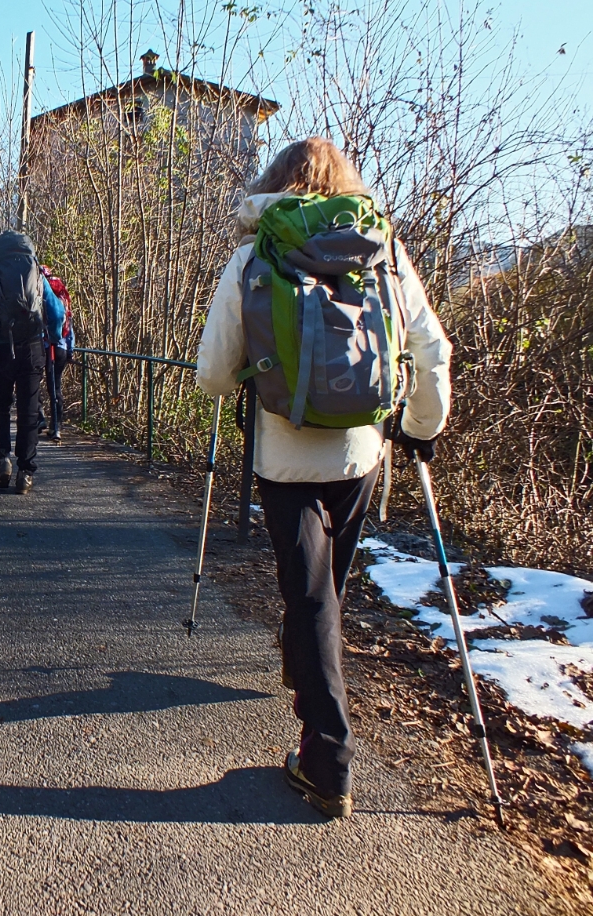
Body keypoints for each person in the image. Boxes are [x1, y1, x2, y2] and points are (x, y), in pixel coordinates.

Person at [195, 137, 451, 818]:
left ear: (275, 183)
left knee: (310, 597)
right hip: (361, 451)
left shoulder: (255, 254)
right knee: (323, 588)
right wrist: (421, 425)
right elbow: (431, 346)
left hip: (284, 456)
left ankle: (327, 758)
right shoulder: (381, 250)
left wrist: (240, 380)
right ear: (346, 184)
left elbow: (213, 371)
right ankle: (309, 687)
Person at [0, 231, 66, 494]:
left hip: (0, 349)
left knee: (0, 406)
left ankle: (3, 460)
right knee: (29, 410)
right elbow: (57, 313)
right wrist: (54, 338)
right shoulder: (36, 275)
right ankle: (26, 472)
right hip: (32, 348)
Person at [35, 266, 76, 442]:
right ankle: (56, 426)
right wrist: (70, 350)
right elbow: (70, 324)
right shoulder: (63, 296)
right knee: (55, 386)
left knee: (32, 381)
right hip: (61, 346)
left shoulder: (40, 291)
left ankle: (39, 417)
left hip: (42, 344)